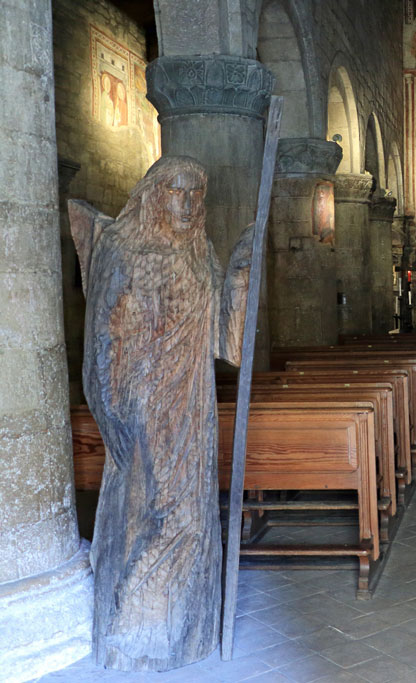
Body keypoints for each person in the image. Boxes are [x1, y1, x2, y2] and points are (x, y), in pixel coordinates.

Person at [69, 156, 253, 671]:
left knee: (189, 510)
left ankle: (171, 625)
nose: (189, 203)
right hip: (142, 403)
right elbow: (101, 340)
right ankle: (137, 624)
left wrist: (239, 273)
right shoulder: (121, 248)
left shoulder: (200, 251)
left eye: (197, 193)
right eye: (178, 190)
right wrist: (108, 413)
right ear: (153, 192)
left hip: (191, 400)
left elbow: (227, 343)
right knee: (168, 511)